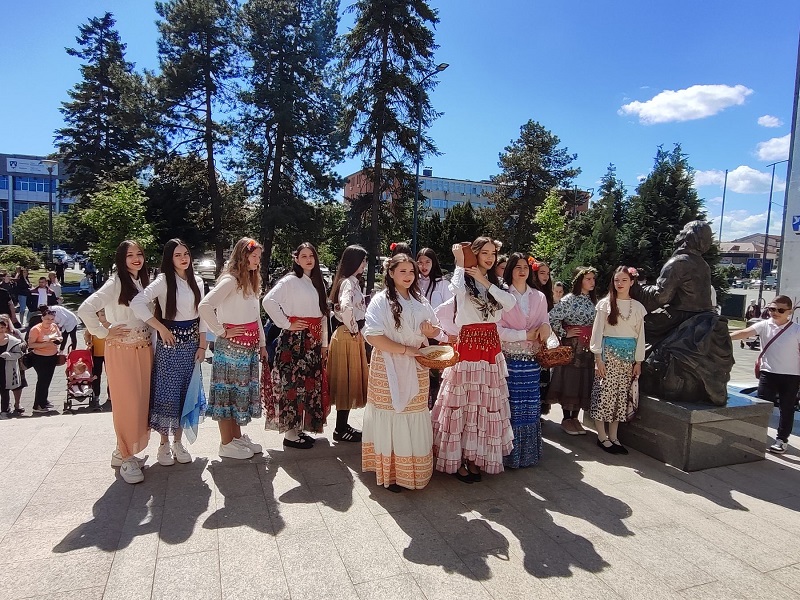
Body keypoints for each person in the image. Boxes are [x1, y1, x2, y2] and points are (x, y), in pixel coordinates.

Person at [432, 237, 516, 482]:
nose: (490, 258)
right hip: (468, 344)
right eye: (485, 253)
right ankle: (458, 458)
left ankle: (476, 457)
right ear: (476, 254)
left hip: (490, 346)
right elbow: (455, 290)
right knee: (465, 401)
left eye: (493, 253)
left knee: (485, 403)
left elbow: (509, 304)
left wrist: (485, 282)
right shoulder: (463, 279)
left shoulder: (495, 283)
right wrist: (460, 262)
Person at [363, 253, 441, 492]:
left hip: (416, 363)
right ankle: (392, 472)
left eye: (411, 271)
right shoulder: (381, 300)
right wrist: (406, 349)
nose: (408, 276)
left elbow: (436, 328)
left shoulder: (419, 299)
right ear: (391, 273)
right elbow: (373, 335)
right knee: (392, 413)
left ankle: (413, 469)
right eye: (403, 271)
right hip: (387, 364)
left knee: (413, 412)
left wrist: (430, 331)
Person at [78, 240, 153, 484]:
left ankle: (122, 451)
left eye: (139, 254)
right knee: (127, 402)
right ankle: (126, 454)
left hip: (143, 348)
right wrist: (103, 332)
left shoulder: (141, 282)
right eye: (130, 255)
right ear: (121, 259)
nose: (136, 258)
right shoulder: (116, 282)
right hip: (121, 349)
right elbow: (86, 308)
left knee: (141, 401)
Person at [132, 239, 207, 467]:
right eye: (177, 255)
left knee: (187, 392)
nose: (184, 258)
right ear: (169, 258)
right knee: (167, 393)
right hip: (170, 343)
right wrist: (161, 327)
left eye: (186, 253)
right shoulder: (164, 281)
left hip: (191, 343)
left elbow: (202, 315)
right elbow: (137, 302)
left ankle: (178, 441)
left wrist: (203, 345)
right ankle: (163, 443)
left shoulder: (198, 280)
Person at [198, 237, 267, 460]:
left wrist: (263, 343)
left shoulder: (249, 281)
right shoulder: (230, 280)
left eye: (258, 257)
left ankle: (235, 437)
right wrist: (222, 331)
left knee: (238, 394)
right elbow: (205, 306)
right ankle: (226, 442)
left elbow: (256, 317)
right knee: (226, 393)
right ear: (243, 256)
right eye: (254, 256)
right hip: (230, 349)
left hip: (247, 349)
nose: (257, 260)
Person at [263, 242, 329, 449]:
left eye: (311, 255)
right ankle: (290, 434)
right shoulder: (290, 281)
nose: (308, 259)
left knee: (307, 386)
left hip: (313, 340)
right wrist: (286, 323)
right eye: (304, 256)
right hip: (295, 341)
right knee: (292, 385)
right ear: (296, 259)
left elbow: (323, 316)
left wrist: (324, 344)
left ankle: (298, 429)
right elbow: (268, 301)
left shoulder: (317, 282)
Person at [496, 253, 551, 468]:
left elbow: (545, 321)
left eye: (525, 267)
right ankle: (507, 455)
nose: (522, 270)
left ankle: (527, 454)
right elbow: (497, 329)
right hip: (508, 360)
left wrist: (546, 328)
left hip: (531, 362)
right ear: (510, 269)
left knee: (529, 406)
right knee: (509, 405)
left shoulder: (539, 296)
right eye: (517, 266)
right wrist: (524, 335)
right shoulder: (502, 295)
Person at [731, 295, 800, 454]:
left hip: (791, 376)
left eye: (780, 310)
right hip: (768, 374)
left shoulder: (796, 330)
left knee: (787, 409)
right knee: (760, 406)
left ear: (789, 312)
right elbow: (744, 333)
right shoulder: (764, 325)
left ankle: (782, 439)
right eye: (772, 309)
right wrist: (723, 337)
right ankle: (755, 436)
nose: (775, 312)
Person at [590, 266, 647, 455]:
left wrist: (638, 361)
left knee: (620, 398)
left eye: (623, 280)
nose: (619, 284)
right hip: (608, 355)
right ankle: (601, 436)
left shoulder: (638, 307)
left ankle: (614, 436)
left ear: (632, 282)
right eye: (616, 280)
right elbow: (597, 332)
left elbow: (640, 336)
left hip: (627, 358)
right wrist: (598, 358)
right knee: (604, 395)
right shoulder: (605, 304)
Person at [548, 266, 598, 435]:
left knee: (583, 380)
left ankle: (575, 418)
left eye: (593, 279)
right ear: (580, 281)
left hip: (587, 348)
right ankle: (566, 418)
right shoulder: (569, 299)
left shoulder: (592, 300)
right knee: (570, 379)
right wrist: (564, 332)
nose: (592, 282)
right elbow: (551, 317)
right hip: (572, 346)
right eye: (588, 279)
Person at [327, 245, 369, 442]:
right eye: (362, 260)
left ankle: (342, 426)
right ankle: (340, 428)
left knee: (348, 380)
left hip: (346, 334)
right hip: (348, 335)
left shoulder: (349, 282)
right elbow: (345, 307)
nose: (365, 264)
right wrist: (353, 328)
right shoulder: (349, 283)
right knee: (347, 381)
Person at [417, 247, 454, 408]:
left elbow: (450, 310)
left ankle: (436, 407)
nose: (424, 266)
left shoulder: (443, 283)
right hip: (417, 334)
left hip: (438, 335)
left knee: (436, 374)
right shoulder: (413, 281)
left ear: (434, 263)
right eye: (420, 262)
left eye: (427, 262)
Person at [27, 306, 63, 413]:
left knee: (47, 380)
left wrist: (58, 340)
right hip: (39, 358)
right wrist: (46, 343)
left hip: (52, 356)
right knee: (42, 380)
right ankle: (38, 405)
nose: (49, 321)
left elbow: (60, 336)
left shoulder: (54, 326)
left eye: (52, 319)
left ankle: (43, 400)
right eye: (47, 319)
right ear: (42, 318)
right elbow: (31, 344)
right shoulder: (36, 329)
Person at [83, 308, 110, 411]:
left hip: (110, 354)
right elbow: (87, 334)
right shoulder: (94, 325)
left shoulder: (112, 324)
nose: (104, 317)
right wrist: (88, 341)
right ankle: (96, 395)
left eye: (106, 314)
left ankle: (111, 396)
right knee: (96, 375)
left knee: (111, 376)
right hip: (96, 354)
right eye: (102, 314)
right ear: (98, 315)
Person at [0, 317, 24, 419]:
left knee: (5, 389)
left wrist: (9, 355)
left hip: (8, 368)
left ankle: (5, 410)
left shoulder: (13, 341)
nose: (0, 330)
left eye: (2, 327)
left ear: (6, 328)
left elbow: (19, 354)